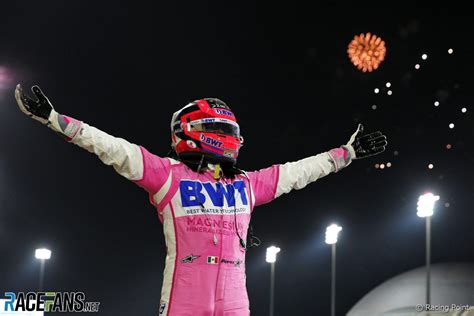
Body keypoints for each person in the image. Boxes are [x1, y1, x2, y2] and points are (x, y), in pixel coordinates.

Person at [15, 84, 387, 316]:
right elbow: (114, 149)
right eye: (225, 130)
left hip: (233, 300)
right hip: (184, 300)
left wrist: (347, 153)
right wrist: (56, 120)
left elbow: (299, 171)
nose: (234, 139)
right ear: (197, 134)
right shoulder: (168, 176)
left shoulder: (246, 184)